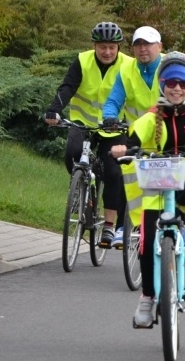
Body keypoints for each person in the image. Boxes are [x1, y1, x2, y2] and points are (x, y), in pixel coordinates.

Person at [111, 53, 185, 327]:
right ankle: (147, 298)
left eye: (184, 84)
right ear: (162, 84)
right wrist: (122, 149)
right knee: (147, 242)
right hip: (155, 190)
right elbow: (131, 142)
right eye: (172, 82)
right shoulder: (150, 119)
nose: (178, 88)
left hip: (183, 186)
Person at [45, 21, 132, 249]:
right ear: (94, 45)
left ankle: (110, 226)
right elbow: (67, 87)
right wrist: (55, 108)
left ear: (119, 48)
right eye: (102, 46)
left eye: (112, 47)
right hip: (84, 122)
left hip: (115, 128)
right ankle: (82, 189)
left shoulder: (128, 65)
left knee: (114, 171)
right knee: (72, 153)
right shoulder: (82, 61)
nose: (107, 52)